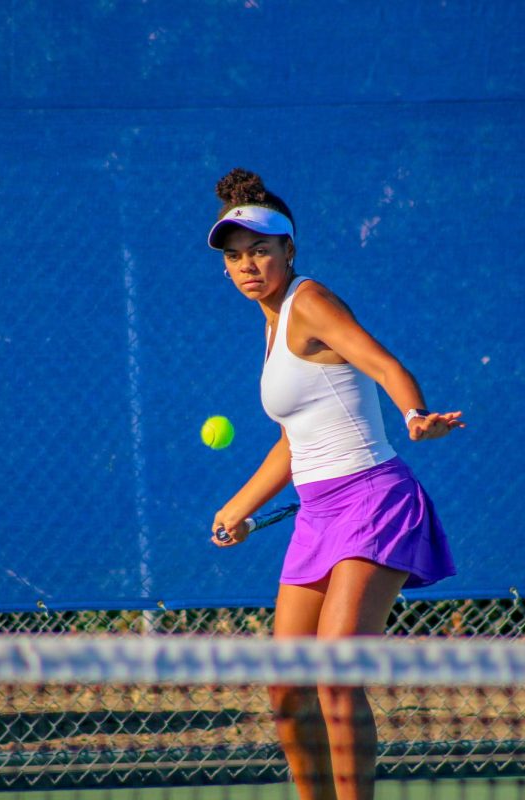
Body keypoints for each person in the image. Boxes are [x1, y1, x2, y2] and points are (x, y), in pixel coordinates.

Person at [207, 168, 462, 800]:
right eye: (236, 258)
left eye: (261, 250)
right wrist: (237, 507)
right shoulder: (269, 327)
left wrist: (413, 412)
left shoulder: (310, 300)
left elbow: (378, 361)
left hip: (374, 501)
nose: (248, 265)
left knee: (334, 676)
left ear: (289, 251)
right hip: (317, 514)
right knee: (287, 688)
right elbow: (295, 441)